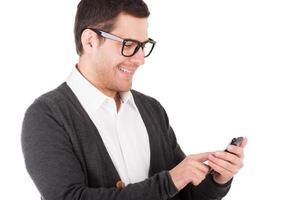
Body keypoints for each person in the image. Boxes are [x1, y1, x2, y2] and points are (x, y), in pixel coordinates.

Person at [21, 0, 247, 199]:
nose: (140, 59)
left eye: (143, 46)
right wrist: (169, 182)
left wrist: (217, 179)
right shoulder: (47, 116)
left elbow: (181, 193)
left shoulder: (151, 109)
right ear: (90, 41)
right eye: (128, 45)